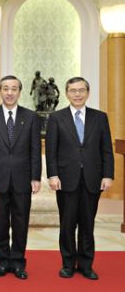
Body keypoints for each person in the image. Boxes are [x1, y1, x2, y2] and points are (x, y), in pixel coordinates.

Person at [45, 77, 114, 280]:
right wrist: (53, 174)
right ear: (66, 93)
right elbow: (51, 150)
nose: (77, 94)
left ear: (87, 92)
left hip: (93, 179)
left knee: (87, 224)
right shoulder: (57, 117)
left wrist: (108, 175)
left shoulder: (100, 117)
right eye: (73, 90)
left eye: (81, 90)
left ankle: (86, 264)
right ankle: (67, 263)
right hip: (65, 180)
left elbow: (106, 150)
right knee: (67, 224)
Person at [0, 75, 42, 280]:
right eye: (5, 88)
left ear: (19, 92)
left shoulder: (31, 116)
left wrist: (36, 177)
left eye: (14, 89)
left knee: (20, 222)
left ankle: (18, 262)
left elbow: (35, 149)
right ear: (0, 91)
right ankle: (2, 262)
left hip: (23, 179)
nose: (9, 92)